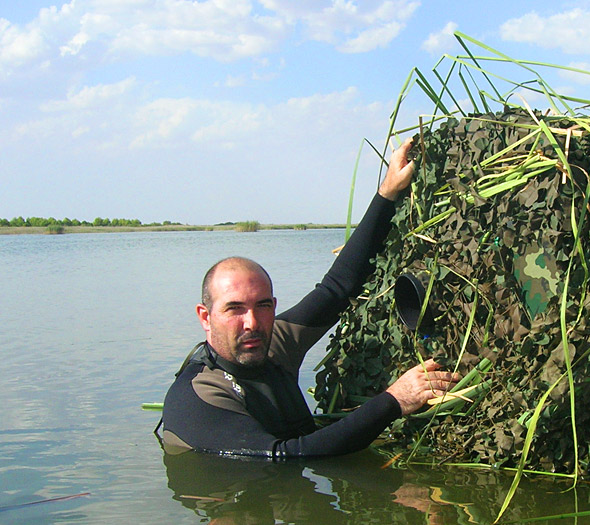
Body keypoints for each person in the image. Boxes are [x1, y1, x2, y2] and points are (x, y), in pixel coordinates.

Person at [160, 139, 459, 457]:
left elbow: (337, 289)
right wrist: (395, 401)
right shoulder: (195, 398)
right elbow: (287, 456)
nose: (252, 322)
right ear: (205, 317)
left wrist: (387, 193)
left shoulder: (274, 345)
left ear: (273, 307)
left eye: (262, 306)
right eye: (234, 308)